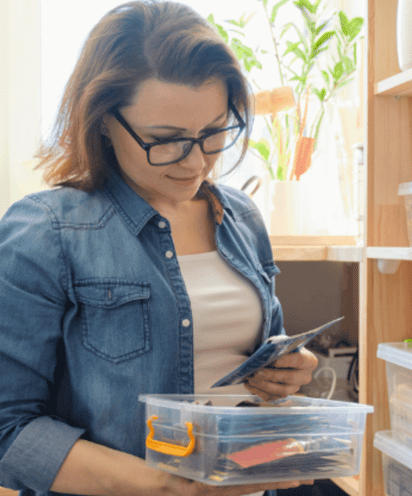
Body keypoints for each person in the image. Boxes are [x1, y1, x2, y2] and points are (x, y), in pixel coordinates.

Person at [0, 1, 319, 495]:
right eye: (165, 140)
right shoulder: (45, 231)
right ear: (104, 120)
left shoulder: (241, 217)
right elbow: (8, 432)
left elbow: (256, 358)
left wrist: (283, 373)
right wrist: (171, 486)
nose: (196, 163)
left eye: (214, 132)